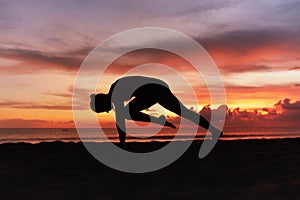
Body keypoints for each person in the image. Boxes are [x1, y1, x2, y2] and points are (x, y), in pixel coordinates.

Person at [90, 76, 223, 144]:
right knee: (127, 112)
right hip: (149, 91)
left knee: (185, 113)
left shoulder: (116, 92)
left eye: (103, 110)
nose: (107, 112)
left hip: (157, 89)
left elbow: (120, 121)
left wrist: (122, 144)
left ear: (102, 102)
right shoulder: (115, 92)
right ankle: (159, 120)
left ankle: (214, 131)